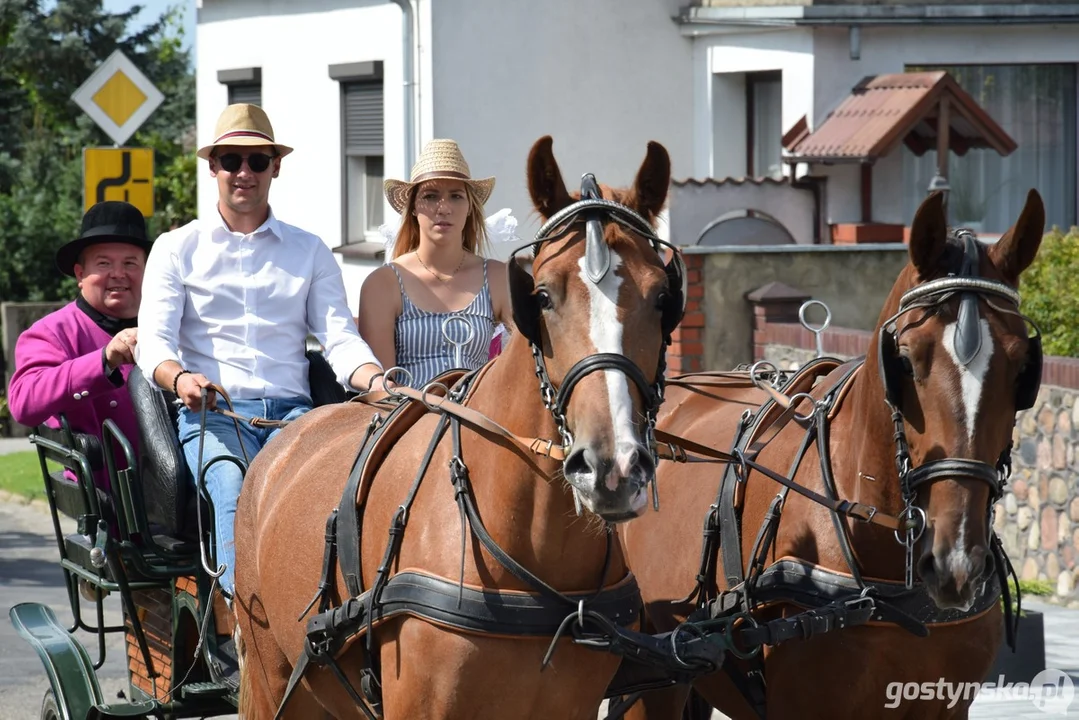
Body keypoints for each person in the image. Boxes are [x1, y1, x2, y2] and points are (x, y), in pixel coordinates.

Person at [135, 103, 383, 596]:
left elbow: (337, 336)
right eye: (231, 160)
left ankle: (324, 619)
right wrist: (182, 380)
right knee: (232, 490)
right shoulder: (175, 246)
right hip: (214, 415)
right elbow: (155, 342)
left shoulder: (309, 249)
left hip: (293, 418)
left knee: (329, 501)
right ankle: (250, 625)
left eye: (256, 160)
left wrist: (378, 381)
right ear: (212, 167)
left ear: (276, 166)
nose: (243, 172)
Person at [7, 200, 150, 496]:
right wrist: (103, 360)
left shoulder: (172, 324)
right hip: (115, 497)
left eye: (130, 263)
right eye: (103, 263)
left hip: (185, 489)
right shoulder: (51, 332)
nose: (118, 274)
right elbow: (22, 402)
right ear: (80, 274)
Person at [358, 139, 516, 389]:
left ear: (469, 208)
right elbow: (384, 390)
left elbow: (530, 361)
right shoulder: (383, 283)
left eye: (456, 197)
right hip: (407, 420)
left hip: (479, 421)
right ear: (412, 208)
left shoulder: (498, 277)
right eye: (431, 196)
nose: (443, 208)